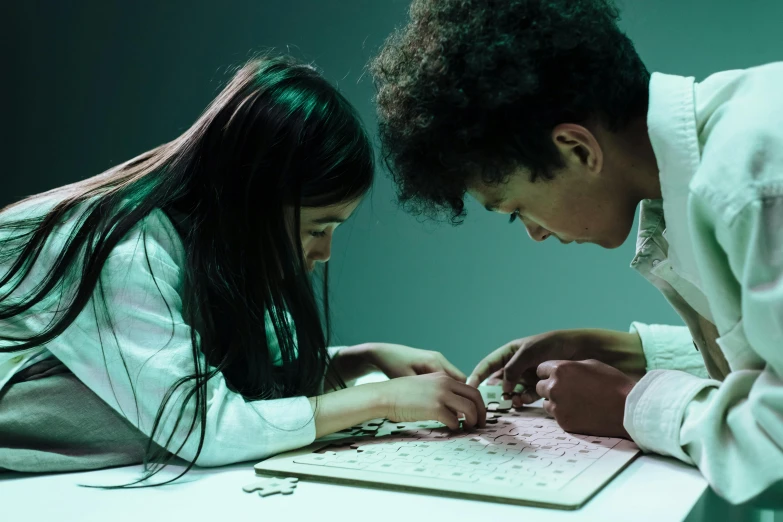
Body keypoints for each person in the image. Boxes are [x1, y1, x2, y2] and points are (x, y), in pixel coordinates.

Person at [370, 0, 783, 504]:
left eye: (517, 208)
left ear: (577, 149)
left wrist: (630, 402)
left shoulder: (754, 185)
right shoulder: (725, 153)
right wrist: (621, 349)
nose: (535, 234)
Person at [0, 54, 485, 482]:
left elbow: (244, 375)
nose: (325, 253)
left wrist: (361, 357)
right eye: (317, 227)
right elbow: (202, 427)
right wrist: (386, 399)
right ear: (252, 201)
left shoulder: (209, 245)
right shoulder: (123, 251)